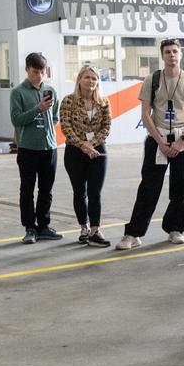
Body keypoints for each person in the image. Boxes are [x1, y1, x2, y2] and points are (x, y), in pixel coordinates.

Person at [119, 38, 184, 250]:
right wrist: (160, 142)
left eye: (175, 51)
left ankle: (175, 228)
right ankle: (133, 234)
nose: (172, 55)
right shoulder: (152, 80)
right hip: (157, 139)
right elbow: (145, 114)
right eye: (168, 52)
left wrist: (182, 140)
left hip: (183, 140)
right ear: (162, 55)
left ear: (180, 54)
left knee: (182, 188)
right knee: (148, 188)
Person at [11, 52, 63, 244]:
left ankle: (43, 226)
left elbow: (55, 116)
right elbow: (16, 119)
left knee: (46, 189)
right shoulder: (18, 92)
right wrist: (38, 110)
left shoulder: (51, 90)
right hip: (27, 148)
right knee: (27, 189)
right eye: (35, 72)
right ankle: (29, 228)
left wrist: (48, 128)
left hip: (49, 147)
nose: (39, 76)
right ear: (27, 70)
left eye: (42, 72)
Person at [59, 65, 112, 248]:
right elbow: (66, 127)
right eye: (87, 77)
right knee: (79, 192)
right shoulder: (68, 101)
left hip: (98, 151)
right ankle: (84, 228)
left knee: (95, 192)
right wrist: (83, 144)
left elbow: (106, 127)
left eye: (94, 78)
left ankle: (95, 230)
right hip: (75, 151)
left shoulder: (104, 102)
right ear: (79, 80)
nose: (91, 81)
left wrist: (92, 143)